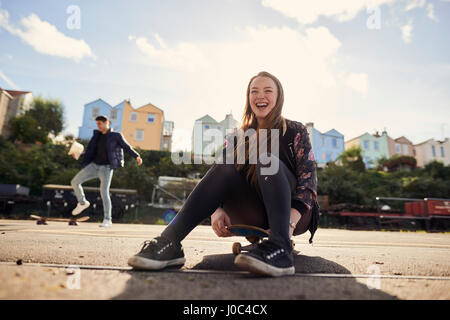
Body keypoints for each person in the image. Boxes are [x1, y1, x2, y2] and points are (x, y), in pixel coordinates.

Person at [128, 71, 319, 277]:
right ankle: (169, 242)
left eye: (267, 91)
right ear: (248, 98)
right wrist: (217, 209)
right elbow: (221, 176)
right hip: (253, 211)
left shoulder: (295, 130)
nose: (260, 96)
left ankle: (280, 249)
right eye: (254, 91)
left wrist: (289, 222)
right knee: (224, 165)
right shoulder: (237, 135)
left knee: (266, 159)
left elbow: (309, 183)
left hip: (296, 214)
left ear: (278, 97)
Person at [70, 115, 143, 227]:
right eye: (97, 124)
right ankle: (83, 202)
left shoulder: (116, 136)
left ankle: (107, 219)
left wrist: (137, 156)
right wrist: (78, 155)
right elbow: (90, 153)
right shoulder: (96, 136)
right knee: (75, 182)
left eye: (100, 123)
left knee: (104, 192)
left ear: (107, 123)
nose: (98, 126)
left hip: (106, 168)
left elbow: (126, 147)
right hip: (94, 166)